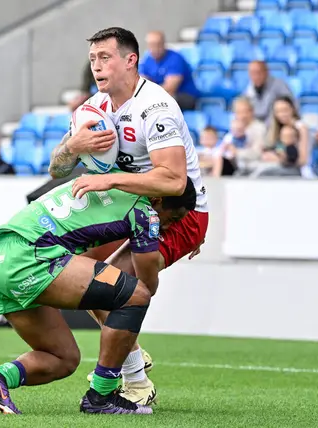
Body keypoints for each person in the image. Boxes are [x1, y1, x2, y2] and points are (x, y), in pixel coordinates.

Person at [48, 27, 209, 406]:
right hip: (131, 209)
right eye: (92, 59)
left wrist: (109, 181)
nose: (97, 66)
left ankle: (135, 381)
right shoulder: (94, 109)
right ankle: (133, 358)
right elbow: (57, 168)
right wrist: (72, 146)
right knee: (78, 272)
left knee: (110, 287)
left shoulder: (156, 107)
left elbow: (172, 180)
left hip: (176, 213)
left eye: (105, 57)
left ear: (130, 60)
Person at [0, 175, 197, 415]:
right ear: (158, 199)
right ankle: (101, 396)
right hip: (31, 257)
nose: (169, 226)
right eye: (173, 218)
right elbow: (147, 280)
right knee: (137, 295)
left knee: (63, 358)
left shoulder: (109, 180)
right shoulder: (145, 211)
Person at [139, 31, 199, 111]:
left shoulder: (175, 58)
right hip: (161, 95)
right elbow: (142, 82)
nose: (155, 48)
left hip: (186, 96)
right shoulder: (148, 59)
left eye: (158, 44)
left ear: (164, 44)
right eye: (152, 45)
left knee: (164, 100)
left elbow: (170, 88)